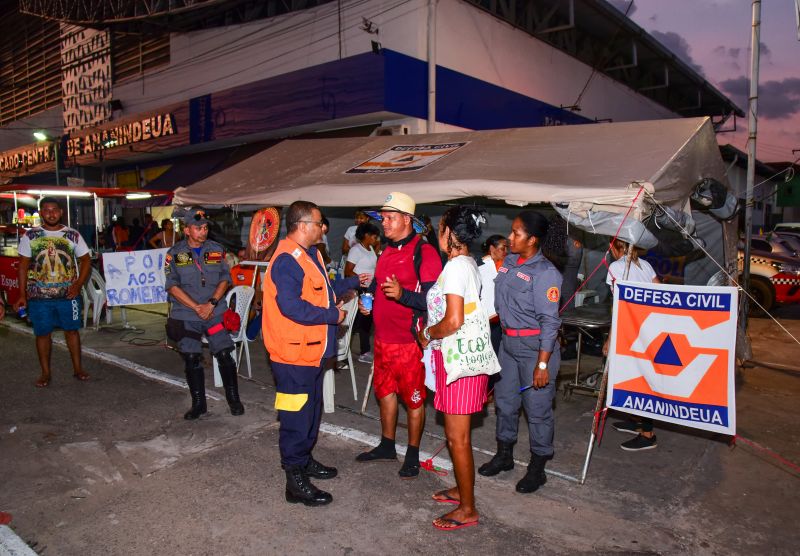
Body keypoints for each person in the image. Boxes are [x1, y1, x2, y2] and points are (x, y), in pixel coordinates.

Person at [262, 201, 368, 507]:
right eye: (319, 223)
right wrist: (331, 316)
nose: (323, 228)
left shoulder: (312, 255)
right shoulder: (285, 261)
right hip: (291, 357)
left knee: (311, 412)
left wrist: (350, 283)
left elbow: (320, 289)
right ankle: (294, 480)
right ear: (302, 225)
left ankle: (305, 461)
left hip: (312, 353)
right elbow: (291, 307)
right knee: (296, 417)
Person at [355, 192, 442, 479]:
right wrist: (367, 299)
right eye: (383, 219)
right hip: (383, 341)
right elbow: (378, 285)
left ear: (407, 220)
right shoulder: (387, 251)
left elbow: (435, 300)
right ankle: (387, 445)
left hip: (409, 343)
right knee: (386, 394)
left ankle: (413, 454)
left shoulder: (425, 252)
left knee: (414, 400)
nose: (385, 224)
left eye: (391, 218)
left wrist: (403, 295)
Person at [478, 211, 562, 494]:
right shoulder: (510, 262)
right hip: (508, 345)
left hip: (534, 349)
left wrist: (542, 365)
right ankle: (504, 456)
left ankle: (538, 468)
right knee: (505, 404)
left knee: (537, 412)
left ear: (533, 239)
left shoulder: (546, 273)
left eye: (516, 234)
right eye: (511, 232)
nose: (510, 238)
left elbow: (550, 322)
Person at [417, 206, 489, 531]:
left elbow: (454, 320)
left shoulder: (458, 267)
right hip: (455, 360)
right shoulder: (465, 263)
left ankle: (468, 508)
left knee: (458, 439)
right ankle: (462, 490)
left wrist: (427, 333)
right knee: (453, 435)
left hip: (460, 363)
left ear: (449, 233)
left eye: (441, 228)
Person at [164, 208, 244, 420]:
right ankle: (199, 404)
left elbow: (225, 279)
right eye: (198, 227)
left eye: (206, 227)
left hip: (214, 312)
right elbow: (172, 286)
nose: (203, 230)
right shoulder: (174, 254)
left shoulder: (216, 250)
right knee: (191, 357)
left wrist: (211, 304)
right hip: (187, 314)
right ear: (187, 229)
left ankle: (234, 399)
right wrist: (196, 307)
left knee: (225, 354)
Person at [13, 197, 91, 387]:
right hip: (39, 298)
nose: (51, 213)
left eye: (54, 209)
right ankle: (45, 373)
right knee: (42, 334)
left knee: (72, 332)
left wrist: (78, 284)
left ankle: (78, 369)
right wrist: (22, 295)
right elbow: (23, 266)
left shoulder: (72, 234)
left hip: (68, 296)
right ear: (41, 213)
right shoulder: (30, 236)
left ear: (61, 212)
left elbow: (86, 260)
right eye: (46, 210)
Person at [603, 238, 661, 451]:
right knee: (632, 377)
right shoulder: (645, 264)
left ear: (615, 247)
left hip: (631, 332)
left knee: (640, 380)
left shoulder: (615, 267)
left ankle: (648, 434)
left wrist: (610, 338)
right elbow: (660, 292)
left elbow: (617, 307)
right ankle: (636, 421)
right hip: (649, 329)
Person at [345, 222, 380, 363]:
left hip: (369, 290)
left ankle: (364, 352)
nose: (375, 239)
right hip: (359, 289)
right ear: (366, 235)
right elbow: (347, 271)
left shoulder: (371, 249)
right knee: (354, 322)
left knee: (366, 320)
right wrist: (361, 283)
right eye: (374, 236)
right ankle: (343, 353)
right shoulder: (356, 250)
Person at [478, 234, 508, 355]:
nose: (506, 251)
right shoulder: (480, 266)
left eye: (507, 248)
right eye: (503, 248)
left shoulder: (506, 265)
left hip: (500, 319)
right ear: (492, 249)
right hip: (486, 320)